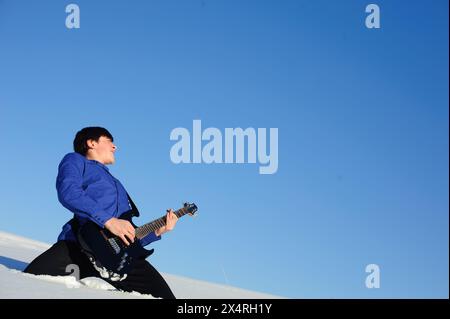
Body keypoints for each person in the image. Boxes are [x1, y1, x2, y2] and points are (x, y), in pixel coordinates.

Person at [24, 127, 178, 299]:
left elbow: (126, 234)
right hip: (78, 247)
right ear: (91, 143)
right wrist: (108, 220)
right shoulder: (75, 160)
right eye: (109, 141)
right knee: (29, 281)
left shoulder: (117, 184)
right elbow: (69, 192)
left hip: (116, 257)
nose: (115, 147)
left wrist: (157, 232)